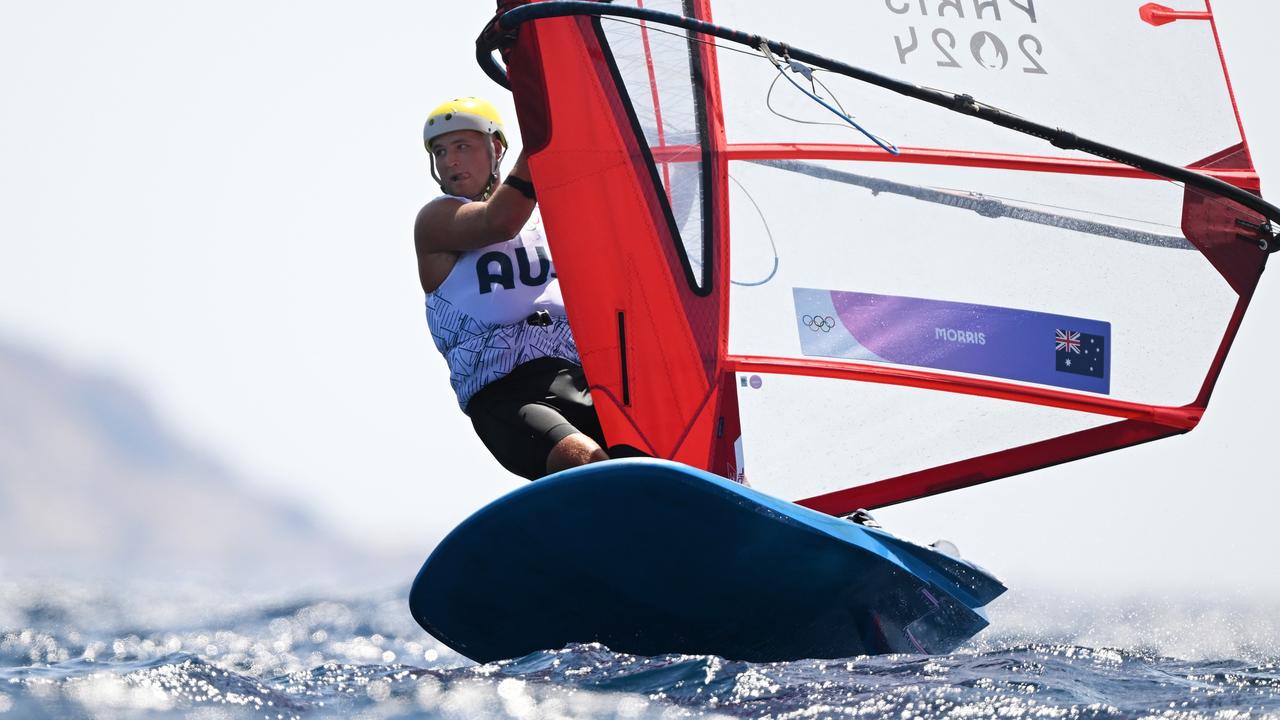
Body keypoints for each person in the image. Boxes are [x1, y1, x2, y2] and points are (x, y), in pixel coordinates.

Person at [414, 97, 609, 480]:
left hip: (579, 379)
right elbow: (499, 222)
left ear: (496, 149)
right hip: (505, 395)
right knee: (588, 461)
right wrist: (545, 135)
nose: (449, 160)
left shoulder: (554, 215)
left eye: (462, 147)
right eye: (439, 151)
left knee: (657, 453)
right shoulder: (436, 220)